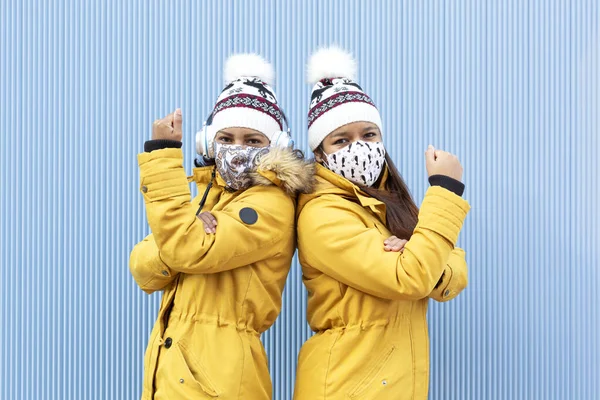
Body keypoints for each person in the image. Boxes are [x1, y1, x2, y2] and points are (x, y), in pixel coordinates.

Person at [129, 53, 313, 400]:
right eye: (226, 138)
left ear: (275, 147)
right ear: (209, 143)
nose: (237, 149)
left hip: (219, 383)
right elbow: (143, 270)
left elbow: (184, 248)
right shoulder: (208, 196)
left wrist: (163, 154)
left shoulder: (271, 204)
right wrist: (182, 235)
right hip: (174, 377)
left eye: (253, 140)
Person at [293, 46, 471, 400]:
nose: (358, 147)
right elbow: (411, 277)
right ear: (320, 152)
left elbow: (451, 272)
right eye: (341, 139)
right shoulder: (322, 215)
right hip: (346, 386)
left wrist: (420, 254)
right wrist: (445, 190)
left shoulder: (387, 205)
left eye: (369, 134)